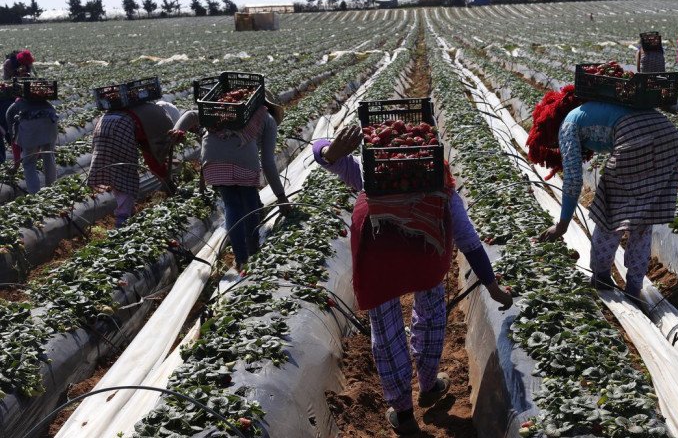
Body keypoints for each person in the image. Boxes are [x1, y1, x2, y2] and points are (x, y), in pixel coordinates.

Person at [312, 125, 513, 435]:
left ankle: (404, 414)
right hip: (426, 260)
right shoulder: (442, 190)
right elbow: (470, 242)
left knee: (387, 334)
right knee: (432, 318)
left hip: (377, 262)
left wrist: (329, 152)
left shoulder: (376, 178)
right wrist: (492, 286)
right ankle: (429, 385)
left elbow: (323, 152)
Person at [528, 85, 678, 300]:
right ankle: (634, 288)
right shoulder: (591, 110)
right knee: (643, 218)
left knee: (609, 210)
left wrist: (562, 224)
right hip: (669, 135)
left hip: (636, 136)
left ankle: (600, 276)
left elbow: (572, 179)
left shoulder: (568, 125)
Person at [169, 90, 290, 269]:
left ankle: (240, 259)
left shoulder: (222, 111)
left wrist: (178, 129)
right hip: (245, 162)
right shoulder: (267, 119)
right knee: (249, 206)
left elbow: (191, 114)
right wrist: (281, 196)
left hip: (213, 158)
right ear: (269, 107)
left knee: (232, 205)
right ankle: (253, 251)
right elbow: (268, 162)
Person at [88, 101, 178, 227]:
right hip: (120, 129)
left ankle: (129, 211)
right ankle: (122, 220)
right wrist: (165, 178)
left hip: (103, 125)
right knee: (126, 173)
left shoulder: (148, 110)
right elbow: (152, 155)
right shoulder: (161, 122)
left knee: (115, 171)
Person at [5, 96, 58, 194]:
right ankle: (52, 189)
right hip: (50, 123)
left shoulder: (15, 107)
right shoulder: (45, 102)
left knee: (29, 162)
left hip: (31, 129)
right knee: (49, 158)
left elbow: (8, 115)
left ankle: (35, 194)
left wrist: (16, 165)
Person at [1, 50, 34, 163]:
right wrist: (16, 74)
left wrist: (25, 76)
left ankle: (25, 148)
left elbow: (29, 79)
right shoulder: (9, 63)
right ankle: (14, 144)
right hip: (8, 95)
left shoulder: (27, 64)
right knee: (8, 119)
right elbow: (7, 80)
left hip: (21, 95)